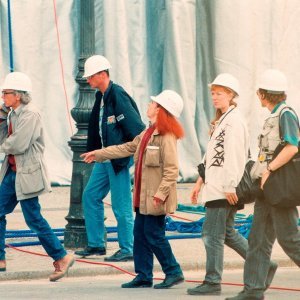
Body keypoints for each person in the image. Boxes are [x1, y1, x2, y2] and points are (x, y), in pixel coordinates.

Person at [81, 90, 185, 289]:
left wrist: (160, 194)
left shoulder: (166, 136)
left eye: (152, 103)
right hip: (143, 197)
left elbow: (172, 171)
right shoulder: (147, 133)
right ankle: (144, 275)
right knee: (140, 234)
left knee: (154, 235)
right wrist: (99, 154)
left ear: (160, 110)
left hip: (155, 198)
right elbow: (125, 148)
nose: (149, 105)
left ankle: (173, 271)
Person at [187, 73, 277, 296]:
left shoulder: (234, 122)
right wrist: (200, 181)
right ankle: (264, 264)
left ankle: (212, 281)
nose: (214, 97)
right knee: (226, 232)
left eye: (219, 93)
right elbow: (212, 157)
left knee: (211, 235)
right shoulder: (224, 120)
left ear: (230, 95)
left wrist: (229, 185)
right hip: (216, 186)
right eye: (213, 93)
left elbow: (236, 155)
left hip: (223, 188)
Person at [226, 69, 300, 300]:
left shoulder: (285, 115)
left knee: (290, 239)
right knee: (258, 239)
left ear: (263, 94)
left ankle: (254, 288)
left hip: (278, 188)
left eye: (259, 92)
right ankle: (253, 290)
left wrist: (269, 169)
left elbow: (292, 146)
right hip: (266, 189)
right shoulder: (275, 115)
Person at [0, 72, 74, 281]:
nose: (2, 96)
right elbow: (4, 138)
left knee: (34, 219)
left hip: (27, 175)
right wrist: (1, 116)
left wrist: (4, 144)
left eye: (6, 93)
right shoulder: (13, 113)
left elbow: (18, 144)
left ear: (19, 95)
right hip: (13, 173)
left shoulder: (30, 114)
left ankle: (61, 257)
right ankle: (0, 259)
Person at [74, 55, 145, 262]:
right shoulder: (101, 97)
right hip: (105, 158)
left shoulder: (118, 96)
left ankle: (128, 248)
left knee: (120, 204)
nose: (87, 81)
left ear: (102, 75)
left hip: (118, 159)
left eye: (90, 77)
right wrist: (96, 152)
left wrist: (126, 156)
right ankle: (96, 244)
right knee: (90, 196)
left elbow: (137, 131)